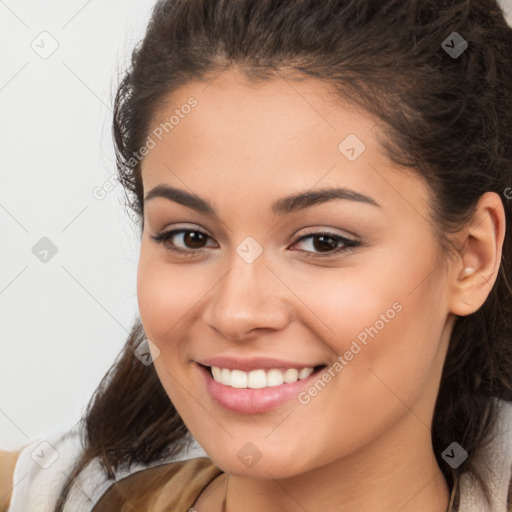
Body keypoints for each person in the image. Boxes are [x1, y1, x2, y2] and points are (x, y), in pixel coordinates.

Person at [3, 0, 512, 511]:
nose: (236, 312)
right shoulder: (77, 495)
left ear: (472, 256)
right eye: (190, 238)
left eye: (322, 242)